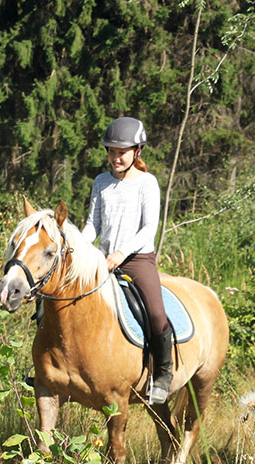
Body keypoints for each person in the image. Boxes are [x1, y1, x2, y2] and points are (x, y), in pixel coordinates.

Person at [81, 116, 173, 404]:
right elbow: (92, 226)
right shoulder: (101, 182)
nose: (115, 157)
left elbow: (149, 228)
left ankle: (163, 374)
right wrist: (76, 247)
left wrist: (122, 253)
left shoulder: (147, 183)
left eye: (121, 152)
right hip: (103, 260)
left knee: (157, 314)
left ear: (137, 152)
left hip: (137, 260)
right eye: (111, 151)